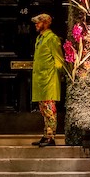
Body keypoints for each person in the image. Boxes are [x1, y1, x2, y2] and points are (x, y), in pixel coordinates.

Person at [31, 12, 64, 146]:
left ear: (45, 23)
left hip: (49, 79)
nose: (36, 25)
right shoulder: (40, 39)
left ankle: (51, 136)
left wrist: (55, 76)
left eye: (38, 22)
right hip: (40, 80)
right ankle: (46, 134)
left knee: (50, 109)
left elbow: (59, 60)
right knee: (44, 110)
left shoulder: (52, 38)